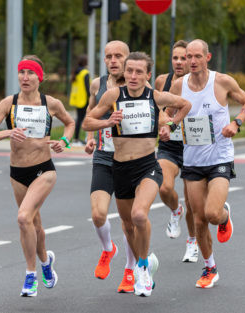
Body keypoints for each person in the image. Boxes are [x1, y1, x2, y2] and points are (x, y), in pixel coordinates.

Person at [83, 51, 192, 297]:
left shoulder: (155, 97)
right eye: (129, 71)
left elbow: (185, 104)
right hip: (119, 167)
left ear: (148, 75)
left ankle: (142, 268)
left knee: (139, 215)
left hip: (147, 166)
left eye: (139, 72)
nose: (133, 76)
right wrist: (107, 122)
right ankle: (145, 261)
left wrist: (171, 126)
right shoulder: (113, 96)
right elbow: (87, 122)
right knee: (128, 225)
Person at [0, 55, 75, 297]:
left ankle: (30, 275)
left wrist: (64, 141)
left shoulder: (50, 103)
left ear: (39, 78)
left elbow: (70, 123)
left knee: (23, 218)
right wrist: (7, 133)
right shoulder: (8, 104)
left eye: (30, 73)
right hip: (17, 172)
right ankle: (46, 262)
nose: (25, 77)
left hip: (43, 169)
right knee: (33, 223)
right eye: (21, 72)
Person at [171, 39, 245, 289]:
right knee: (198, 221)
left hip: (219, 157)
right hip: (193, 160)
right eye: (188, 57)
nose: (192, 61)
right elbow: (167, 112)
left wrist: (235, 123)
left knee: (212, 214)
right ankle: (210, 268)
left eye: (197, 56)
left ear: (207, 58)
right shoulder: (178, 85)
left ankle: (224, 216)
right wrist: (169, 126)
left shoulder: (222, 82)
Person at [83, 40, 138, 293]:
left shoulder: (140, 87)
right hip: (104, 156)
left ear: (128, 59)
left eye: (118, 56)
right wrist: (90, 136)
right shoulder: (98, 84)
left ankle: (130, 269)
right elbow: (90, 114)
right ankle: (108, 249)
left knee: (129, 220)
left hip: (131, 159)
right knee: (98, 214)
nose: (113, 60)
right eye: (108, 56)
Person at [155, 40, 198, 263]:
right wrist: (164, 122)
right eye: (176, 58)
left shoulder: (199, 81)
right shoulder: (163, 81)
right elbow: (157, 108)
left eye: (184, 58)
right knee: (164, 187)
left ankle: (192, 241)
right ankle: (175, 210)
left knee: (193, 203)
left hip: (193, 144)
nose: (180, 62)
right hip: (170, 145)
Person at [69, 55, 90, 145]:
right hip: (84, 100)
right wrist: (91, 98)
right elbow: (87, 87)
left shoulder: (76, 72)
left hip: (77, 99)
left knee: (79, 119)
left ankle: (76, 139)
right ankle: (86, 139)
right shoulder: (85, 73)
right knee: (87, 118)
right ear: (86, 62)